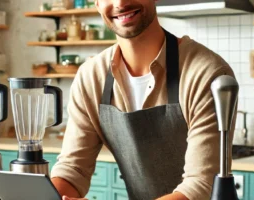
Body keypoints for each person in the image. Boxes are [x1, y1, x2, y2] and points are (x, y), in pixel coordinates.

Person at [51, 0, 236, 199]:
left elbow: (200, 186)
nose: (120, 3)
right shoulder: (91, 77)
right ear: (96, 3)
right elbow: (72, 169)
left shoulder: (207, 74)